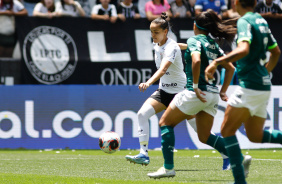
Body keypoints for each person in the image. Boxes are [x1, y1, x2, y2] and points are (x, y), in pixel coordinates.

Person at [125, 11, 233, 172]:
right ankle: (143, 154)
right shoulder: (160, 44)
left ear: (165, 32)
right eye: (151, 32)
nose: (153, 35)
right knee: (142, 114)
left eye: (156, 32)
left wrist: (147, 83)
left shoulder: (171, 48)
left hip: (180, 92)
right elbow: (180, 46)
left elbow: (163, 70)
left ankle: (228, 154)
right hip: (164, 92)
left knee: (202, 134)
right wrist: (188, 46)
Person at [205, 0, 281, 182]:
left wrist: (216, 62)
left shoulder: (244, 21)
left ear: (236, 3)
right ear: (255, 3)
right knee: (255, 135)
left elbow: (244, 48)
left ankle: (239, 180)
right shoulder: (261, 20)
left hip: (250, 86)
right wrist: (265, 72)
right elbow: (276, 52)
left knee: (226, 130)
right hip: (262, 85)